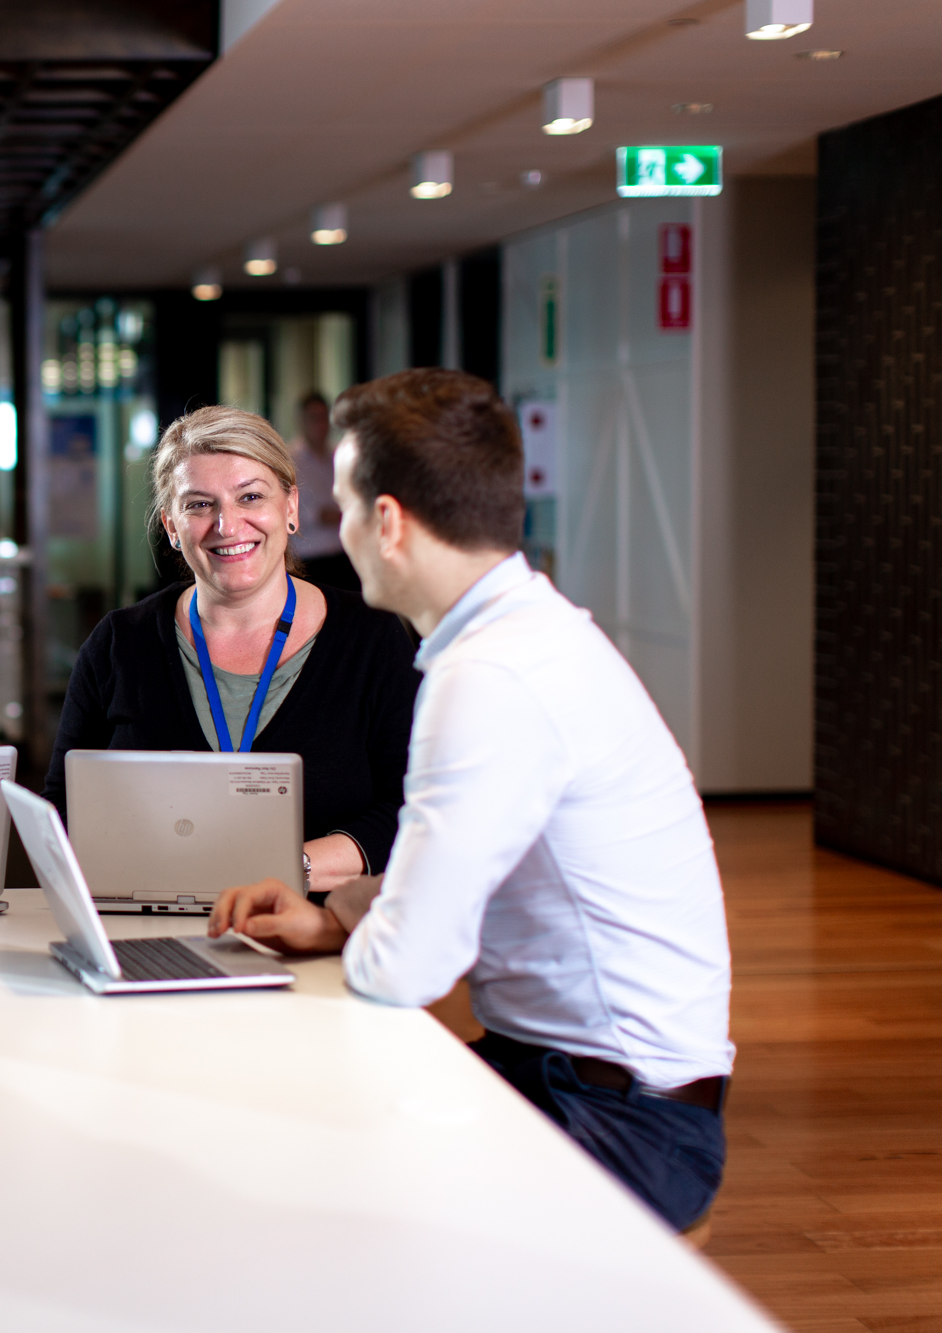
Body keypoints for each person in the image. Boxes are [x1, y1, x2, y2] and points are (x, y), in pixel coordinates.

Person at [207, 369, 733, 1231]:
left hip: (624, 1125)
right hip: (585, 1078)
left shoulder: (488, 674)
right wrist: (335, 917)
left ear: (387, 521)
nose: (337, 531)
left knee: (300, 1179)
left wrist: (361, 931)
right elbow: (476, 863)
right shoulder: (528, 634)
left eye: (341, 505)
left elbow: (408, 965)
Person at [45, 405, 420, 889]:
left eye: (250, 497)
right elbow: (61, 808)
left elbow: (410, 806)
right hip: (146, 930)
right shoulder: (120, 644)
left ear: (290, 508)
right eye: (199, 504)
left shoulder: (372, 636)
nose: (227, 524)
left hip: (317, 939)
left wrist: (284, 870)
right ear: (172, 527)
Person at [290, 391, 359, 592]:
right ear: (301, 421)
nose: (320, 424)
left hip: (343, 554)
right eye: (314, 418)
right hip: (310, 559)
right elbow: (306, 515)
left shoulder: (340, 455)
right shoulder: (291, 460)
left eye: (323, 417)